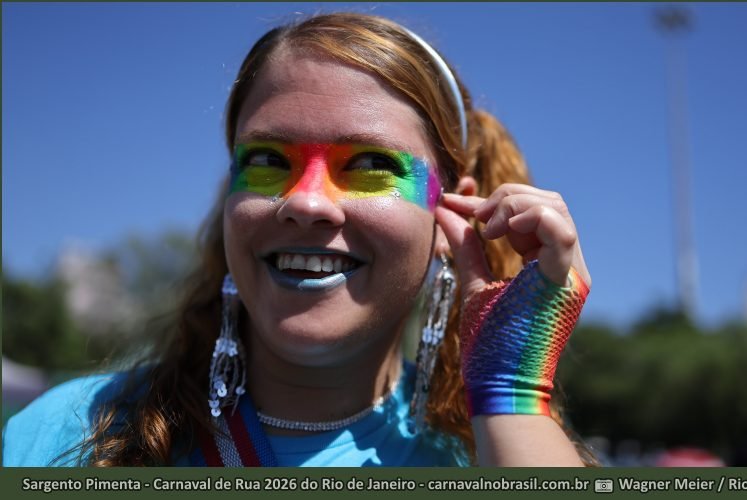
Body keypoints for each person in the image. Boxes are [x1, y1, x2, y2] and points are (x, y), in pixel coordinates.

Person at [2, 12, 594, 467]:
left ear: (453, 212)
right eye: (267, 160)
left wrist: (511, 395)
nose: (306, 201)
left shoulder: (487, 453)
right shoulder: (68, 432)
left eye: (367, 164)